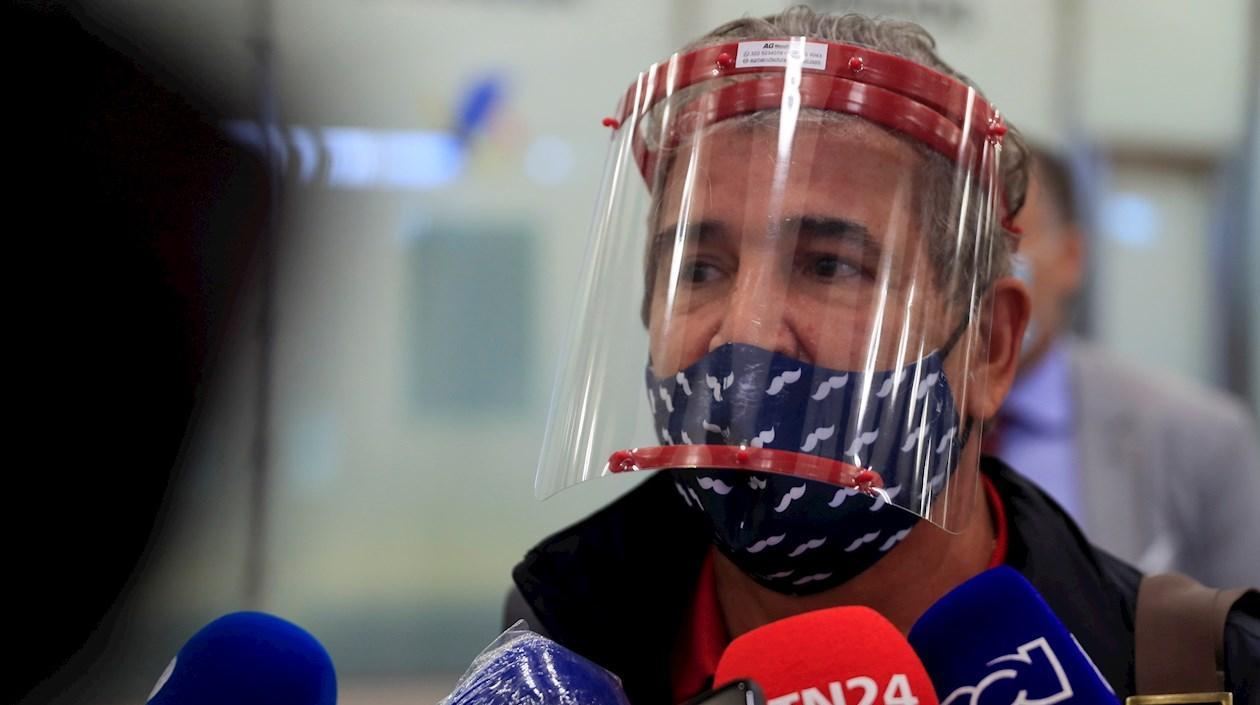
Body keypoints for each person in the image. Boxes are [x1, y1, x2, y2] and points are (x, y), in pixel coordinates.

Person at [506, 7, 1258, 703]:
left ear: (991, 348)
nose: (748, 329)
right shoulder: (560, 649)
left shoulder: (1193, 668)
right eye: (700, 269)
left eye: (829, 265)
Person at [991, 148, 1260, 588]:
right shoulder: (885, 428)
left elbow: (1244, 639)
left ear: (1071, 257)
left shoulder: (1204, 436)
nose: (980, 271)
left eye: (1008, 240)